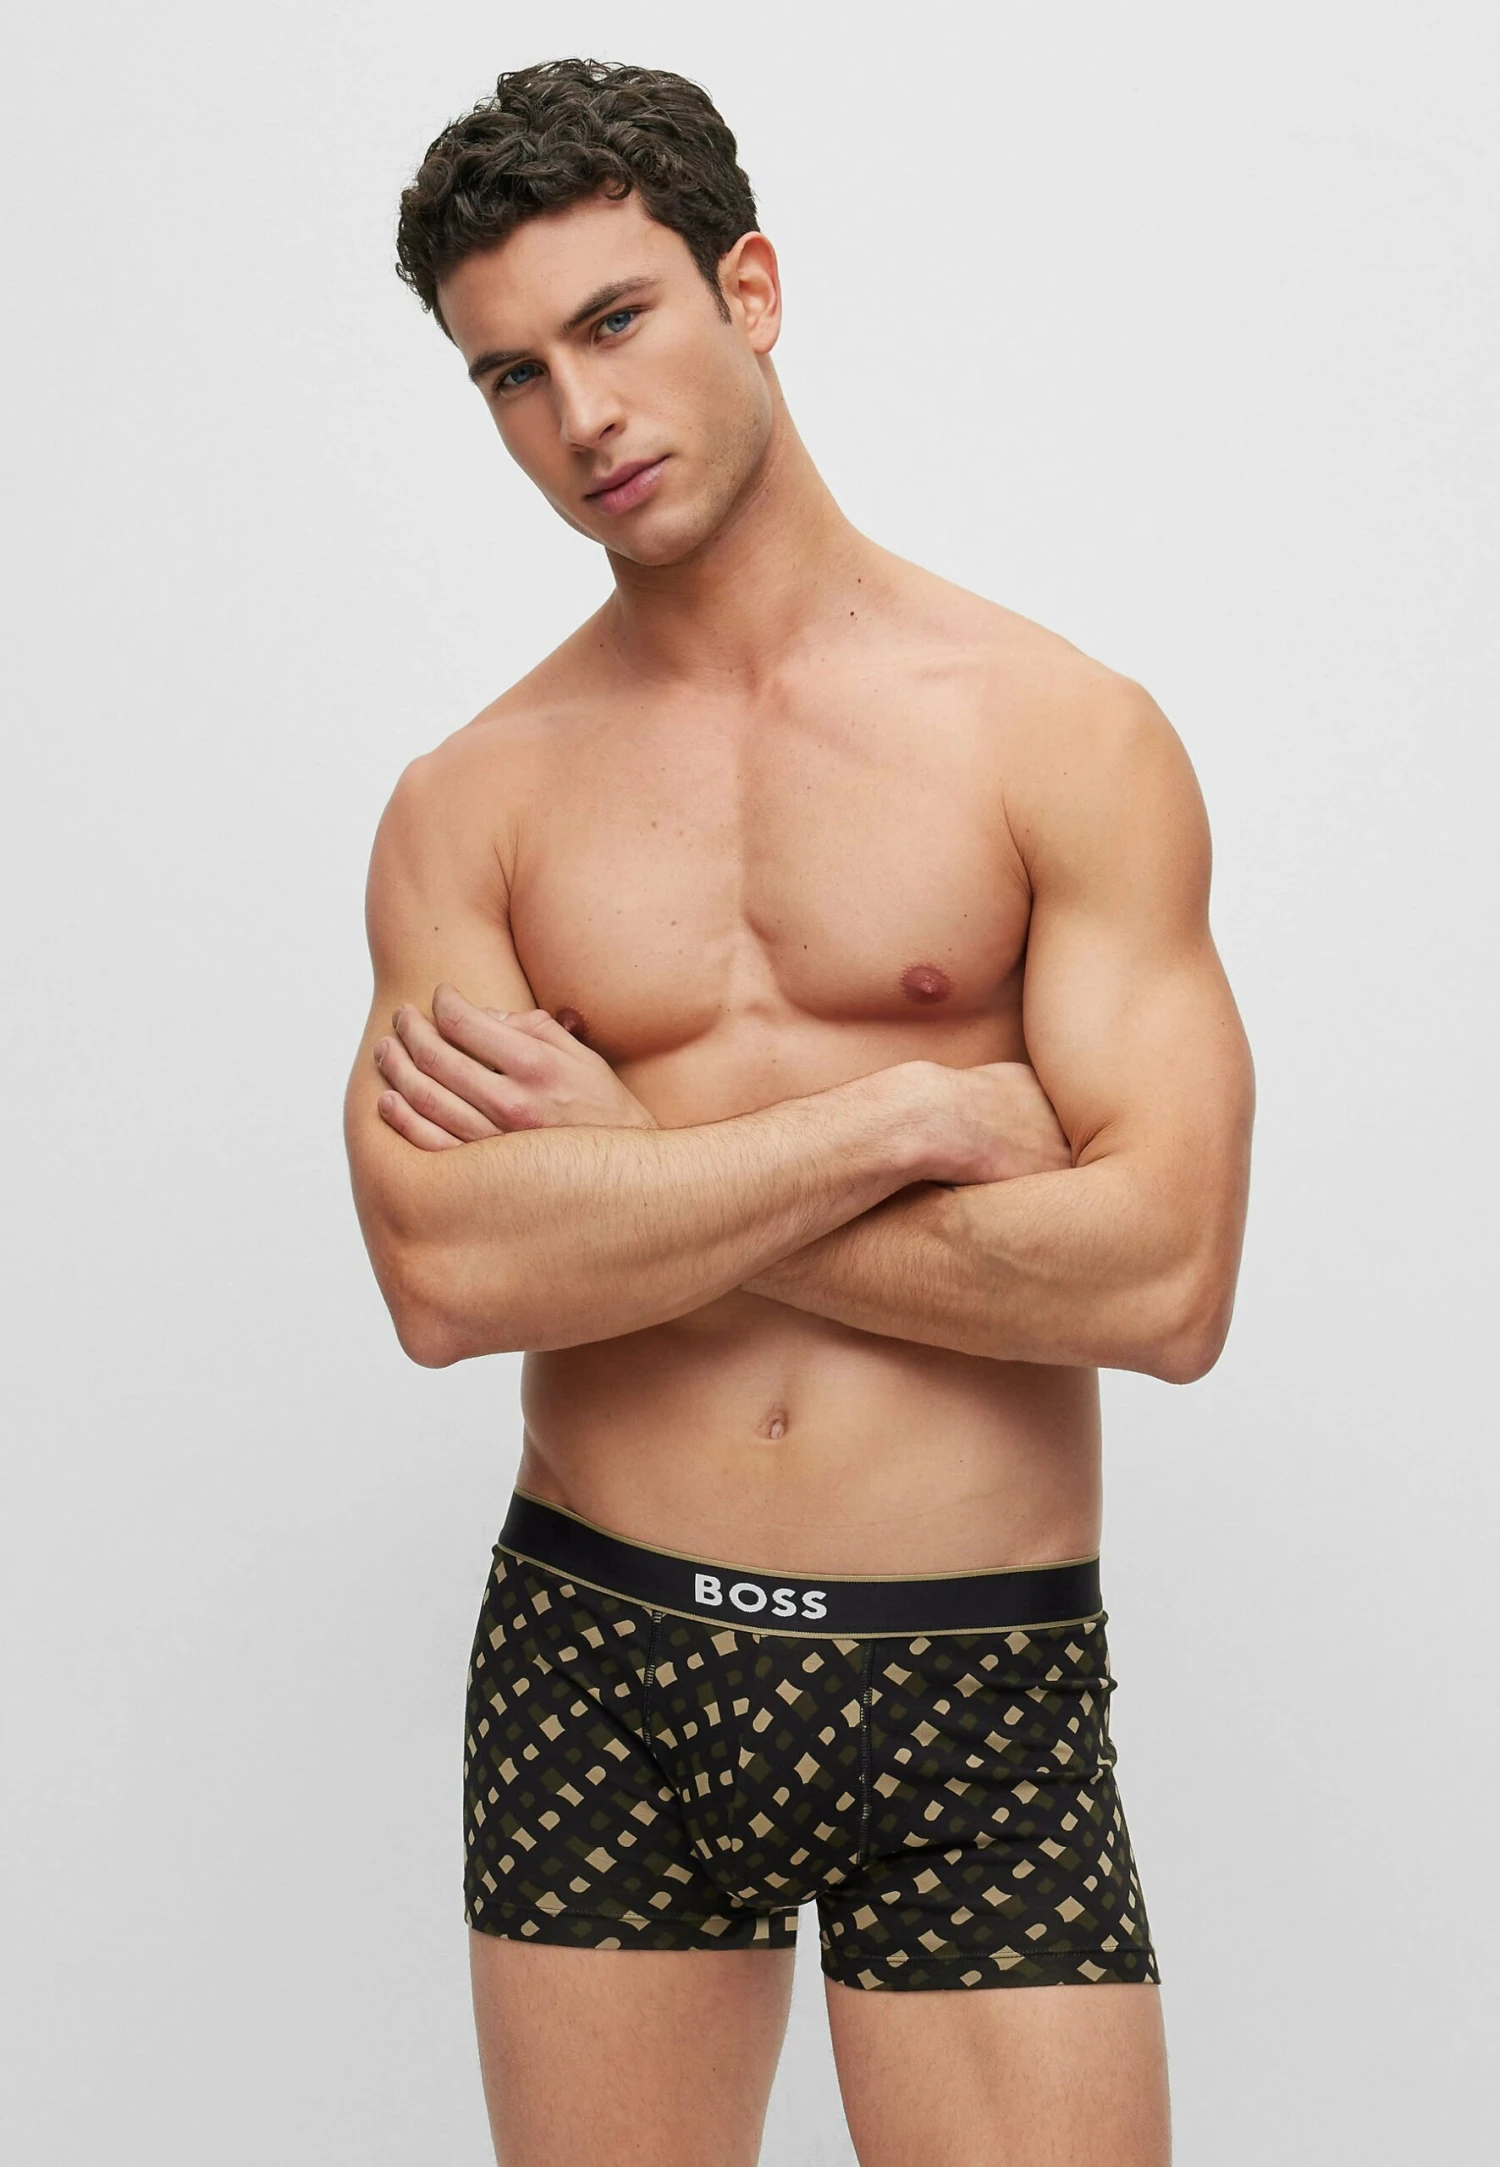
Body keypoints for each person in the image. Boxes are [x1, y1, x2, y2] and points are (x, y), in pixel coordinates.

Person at [344, 56, 1254, 2167]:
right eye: (510, 376)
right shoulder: (471, 803)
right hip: (603, 1656)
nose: (581, 417)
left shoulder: (1058, 736)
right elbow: (448, 1274)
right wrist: (903, 1118)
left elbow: (1167, 1278)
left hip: (975, 1672)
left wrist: (631, 1179)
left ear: (746, 289)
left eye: (615, 321)